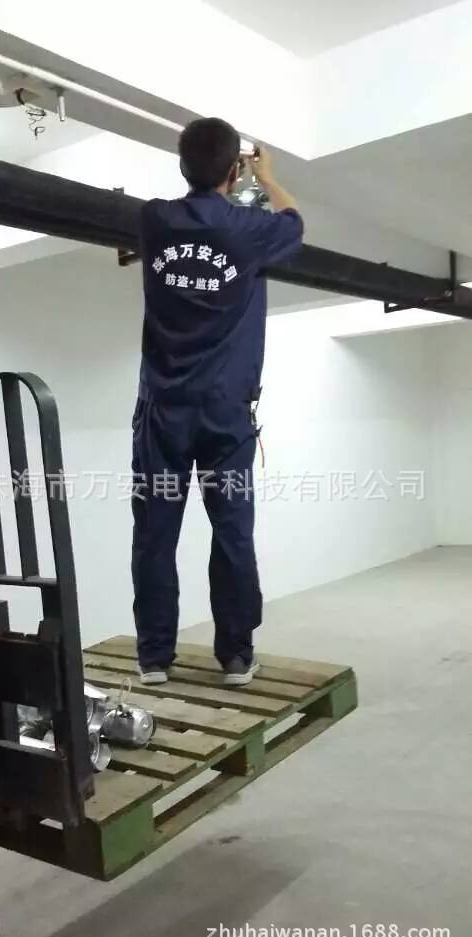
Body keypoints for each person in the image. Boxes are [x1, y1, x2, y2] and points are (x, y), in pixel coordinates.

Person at [132, 117, 303, 686]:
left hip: (162, 410)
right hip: (225, 413)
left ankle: (154, 658)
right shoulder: (250, 229)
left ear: (182, 166)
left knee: (155, 531)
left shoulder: (155, 219)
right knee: (232, 531)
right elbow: (295, 222)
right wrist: (267, 177)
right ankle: (234, 656)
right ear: (234, 169)